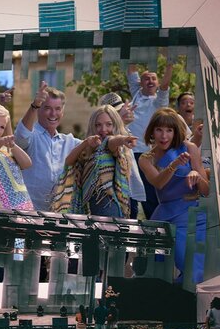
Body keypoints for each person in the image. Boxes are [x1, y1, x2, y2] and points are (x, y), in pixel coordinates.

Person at [138, 108, 208, 283]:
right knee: (157, 268)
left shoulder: (190, 148)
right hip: (166, 216)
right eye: (159, 129)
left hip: (192, 215)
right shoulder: (146, 158)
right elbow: (159, 183)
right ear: (152, 131)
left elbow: (206, 190)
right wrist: (175, 164)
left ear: (176, 132)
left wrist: (196, 175)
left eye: (169, 130)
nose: (164, 136)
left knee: (193, 268)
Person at [50, 105, 135, 217]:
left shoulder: (114, 147)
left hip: (108, 208)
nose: (103, 129)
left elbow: (112, 141)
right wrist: (85, 143)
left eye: (108, 124)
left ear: (115, 125)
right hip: (92, 209)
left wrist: (123, 140)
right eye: (98, 125)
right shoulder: (90, 149)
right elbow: (69, 161)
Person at [13, 81, 81, 211]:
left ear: (62, 112)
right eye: (47, 108)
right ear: (39, 109)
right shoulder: (32, 136)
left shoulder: (69, 142)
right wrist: (34, 105)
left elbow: (96, 143)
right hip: (30, 213)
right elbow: (21, 136)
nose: (53, 114)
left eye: (57, 109)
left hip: (59, 214)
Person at [126, 64, 174, 219]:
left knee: (150, 195)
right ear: (141, 82)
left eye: (154, 78)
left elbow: (165, 85)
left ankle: (155, 227)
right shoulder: (136, 95)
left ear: (158, 83)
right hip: (130, 152)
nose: (150, 81)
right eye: (146, 78)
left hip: (148, 154)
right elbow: (131, 69)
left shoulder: (159, 102)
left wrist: (170, 63)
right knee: (129, 194)